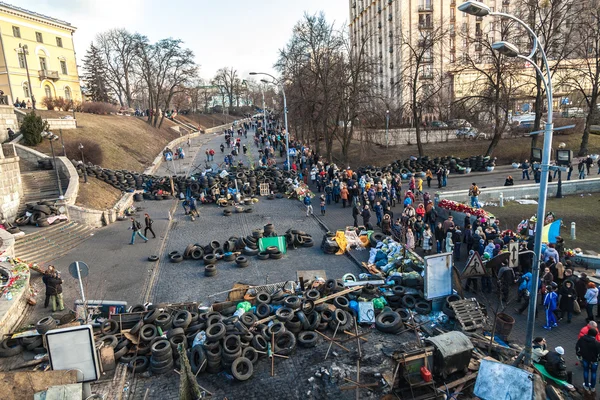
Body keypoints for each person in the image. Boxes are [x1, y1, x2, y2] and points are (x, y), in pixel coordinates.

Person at [576, 328, 600, 393]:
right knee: (593, 373)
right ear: (595, 335)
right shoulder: (597, 343)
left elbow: (577, 347)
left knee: (586, 371)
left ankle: (586, 386)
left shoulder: (582, 339)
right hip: (594, 361)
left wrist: (579, 355)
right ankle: (592, 387)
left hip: (585, 358)